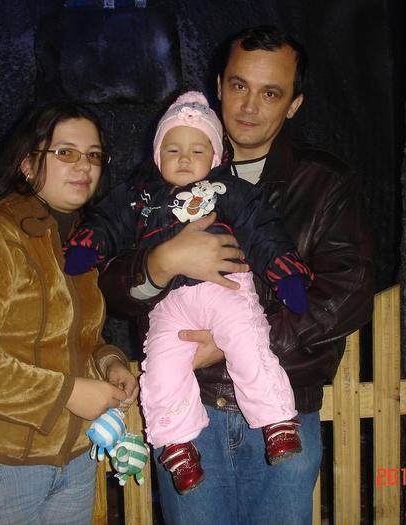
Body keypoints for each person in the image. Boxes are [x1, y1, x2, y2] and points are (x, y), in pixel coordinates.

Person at [99, 25, 374, 525]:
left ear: (293, 104)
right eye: (240, 86)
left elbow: (349, 293)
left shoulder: (322, 182)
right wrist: (161, 263)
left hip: (284, 403)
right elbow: (113, 289)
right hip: (190, 405)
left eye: (271, 93)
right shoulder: (158, 176)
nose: (249, 107)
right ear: (220, 84)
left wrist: (237, 339)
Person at [63, 91, 313, 495]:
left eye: (197, 150)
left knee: (247, 342)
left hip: (225, 288)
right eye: (172, 148)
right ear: (157, 155)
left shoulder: (227, 191)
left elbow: (262, 228)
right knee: (160, 367)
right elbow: (110, 221)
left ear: (215, 158)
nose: (183, 158)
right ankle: (176, 445)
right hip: (170, 305)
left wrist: (285, 274)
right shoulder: (140, 198)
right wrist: (88, 244)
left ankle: (277, 420)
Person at [0, 100, 139, 525]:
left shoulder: (80, 245)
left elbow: (81, 339)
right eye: (66, 152)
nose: (84, 166)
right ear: (26, 164)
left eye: (94, 155)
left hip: (72, 460)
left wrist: (109, 361)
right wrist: (67, 392)